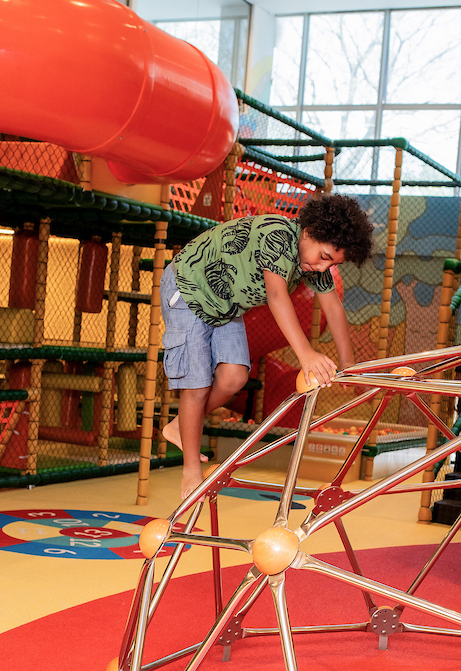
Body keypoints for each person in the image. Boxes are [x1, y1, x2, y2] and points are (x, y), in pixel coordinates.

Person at [159, 194, 373, 497]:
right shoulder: (278, 236)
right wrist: (306, 354)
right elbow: (276, 296)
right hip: (189, 288)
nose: (323, 267)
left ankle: (179, 426)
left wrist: (350, 364)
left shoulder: (311, 262)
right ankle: (191, 469)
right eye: (325, 256)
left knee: (234, 377)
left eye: (333, 263)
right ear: (310, 232)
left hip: (225, 304)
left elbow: (334, 307)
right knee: (196, 385)